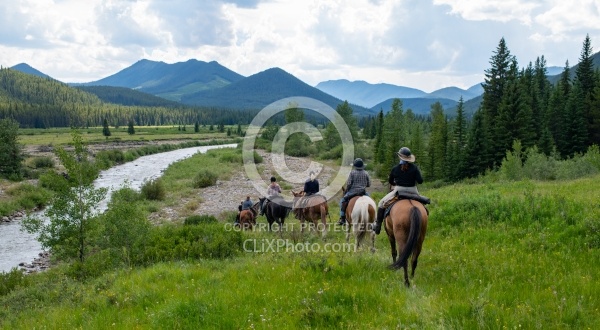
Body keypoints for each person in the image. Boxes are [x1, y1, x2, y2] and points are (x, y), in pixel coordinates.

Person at [373, 147, 423, 234]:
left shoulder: (395, 168)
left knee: (381, 203)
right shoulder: (414, 168)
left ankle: (377, 226)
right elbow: (420, 181)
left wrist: (396, 183)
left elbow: (390, 181)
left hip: (399, 190)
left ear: (400, 157)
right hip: (413, 190)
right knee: (422, 206)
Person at [338, 158, 371, 225]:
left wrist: (347, 189)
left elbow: (349, 184)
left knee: (343, 201)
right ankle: (373, 218)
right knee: (370, 202)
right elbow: (369, 184)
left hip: (352, 192)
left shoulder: (352, 173)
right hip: (363, 192)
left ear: (355, 166)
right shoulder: (366, 173)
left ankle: (342, 218)